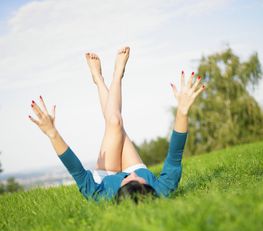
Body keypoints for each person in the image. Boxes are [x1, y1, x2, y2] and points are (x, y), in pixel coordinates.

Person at [28, 46, 205, 203]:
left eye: (128, 180)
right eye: (142, 180)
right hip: (134, 163)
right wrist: (182, 111)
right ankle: (112, 76)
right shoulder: (162, 191)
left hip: (107, 173)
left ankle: (104, 78)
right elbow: (175, 155)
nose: (131, 174)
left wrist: (52, 133)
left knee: (114, 121)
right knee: (115, 122)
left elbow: (77, 171)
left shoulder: (99, 195)